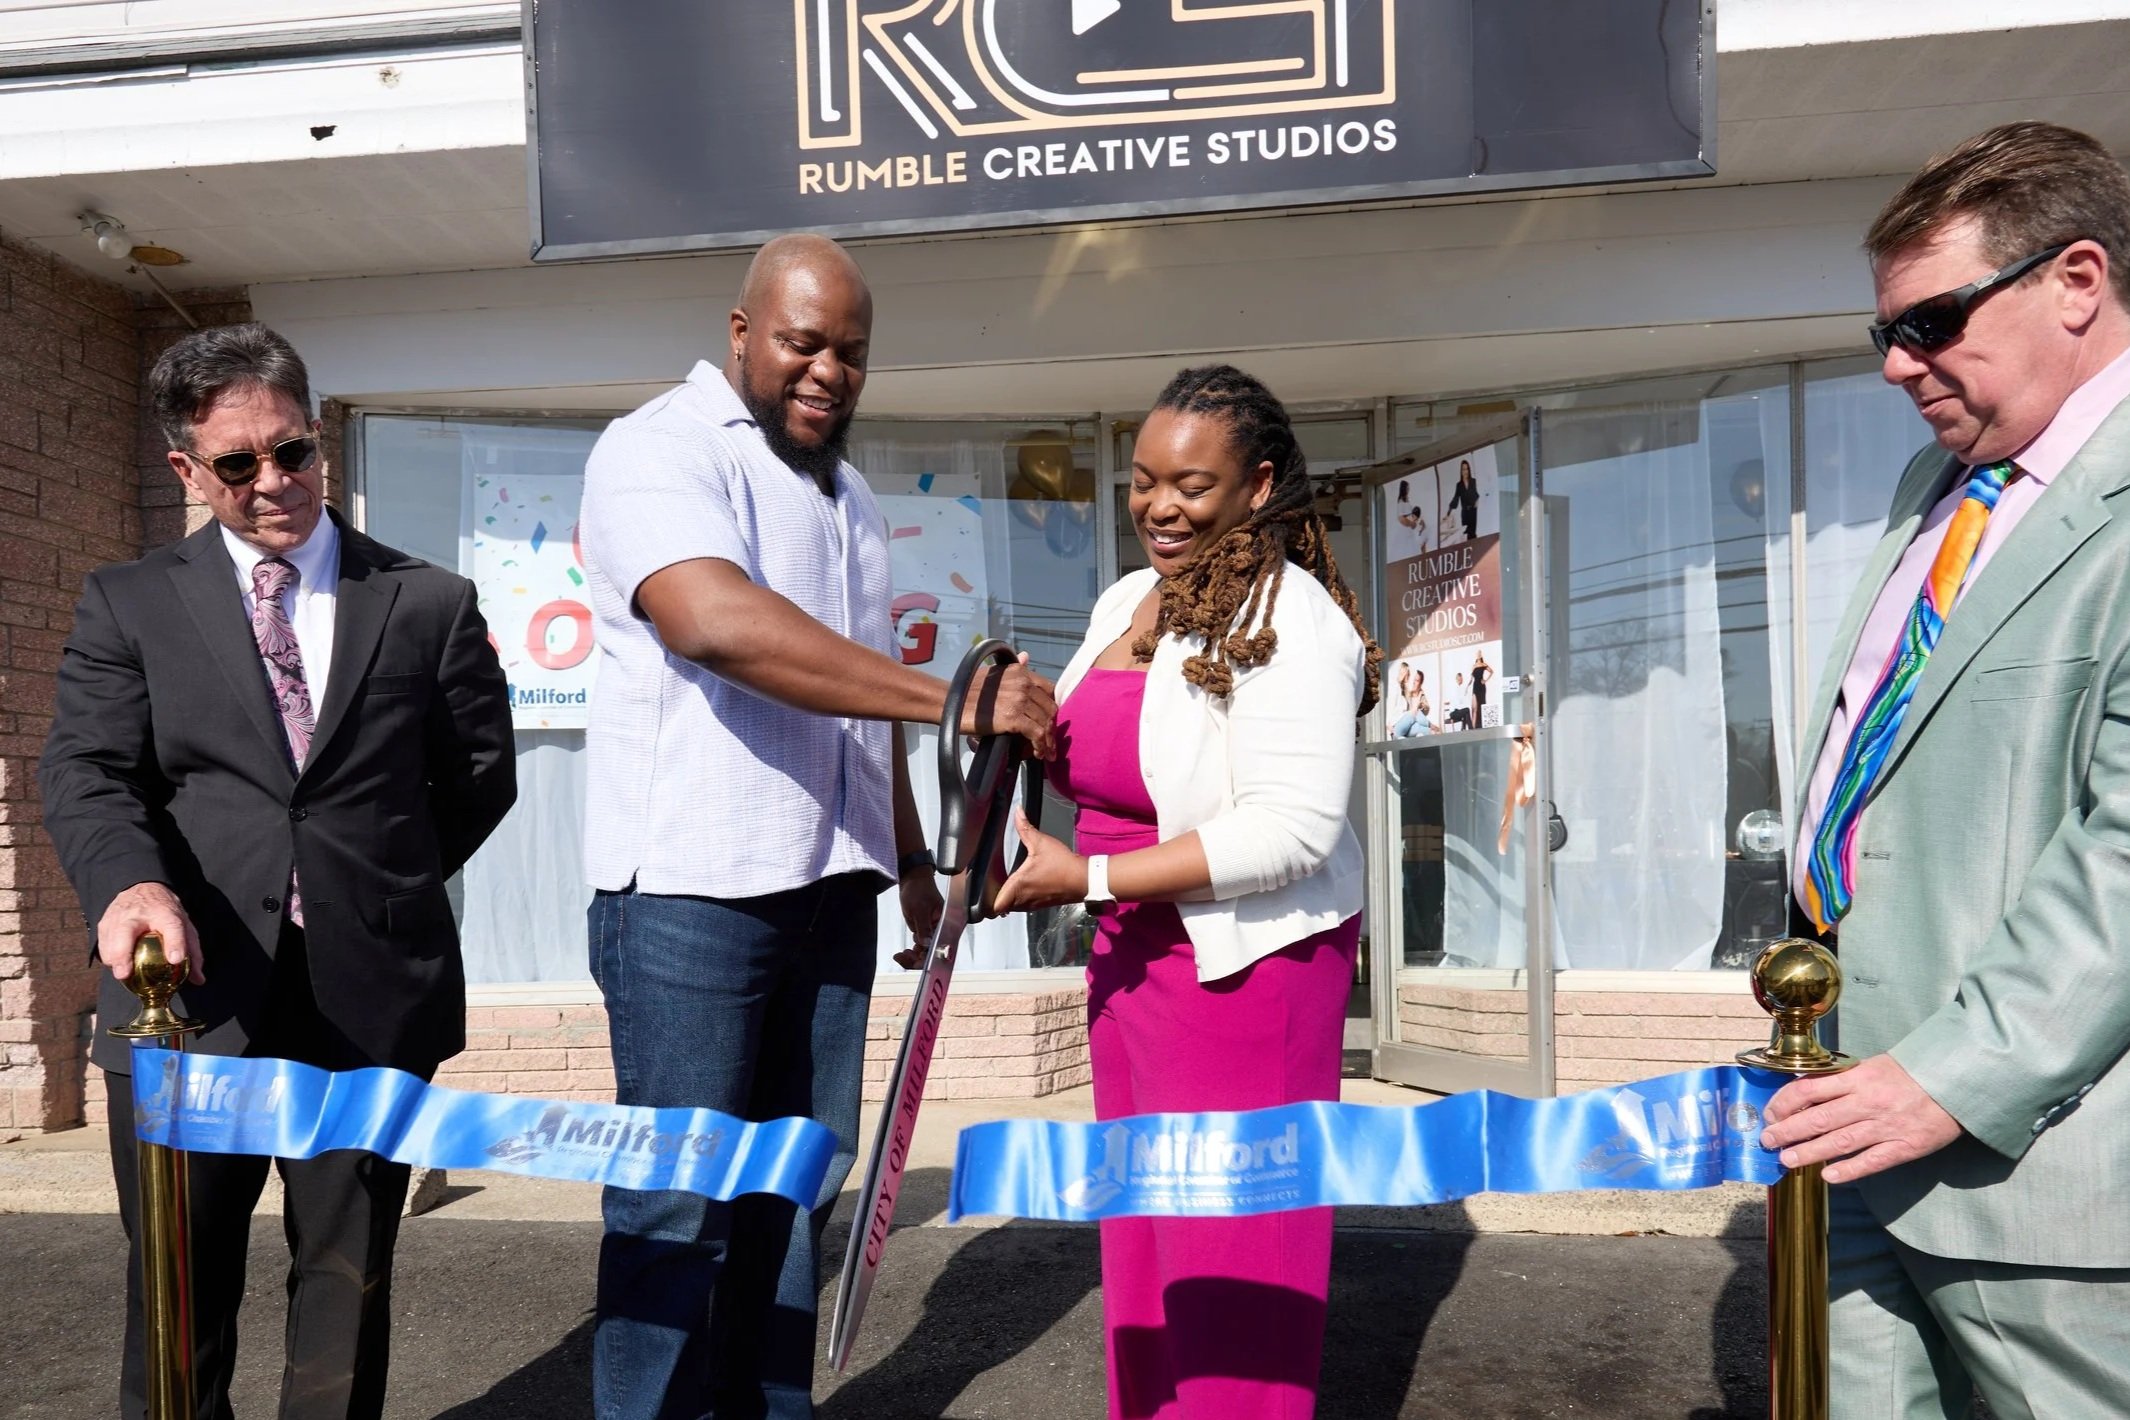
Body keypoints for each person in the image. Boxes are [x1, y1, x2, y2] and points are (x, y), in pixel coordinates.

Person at [577, 233, 1055, 1420]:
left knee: (796, 1192)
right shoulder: (659, 448)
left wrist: (911, 863)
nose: (827, 370)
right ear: (741, 332)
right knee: (676, 1203)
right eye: (802, 342)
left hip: (828, 893)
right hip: (691, 892)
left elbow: (855, 706)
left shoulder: (849, 495)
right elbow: (715, 623)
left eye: (851, 351)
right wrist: (956, 697)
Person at [38, 322, 517, 1420]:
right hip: (188, 997)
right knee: (177, 1293)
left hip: (365, 1001)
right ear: (186, 471)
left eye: (292, 451)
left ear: (319, 440)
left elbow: (478, 776)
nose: (273, 483)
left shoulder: (428, 600)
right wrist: (132, 886)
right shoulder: (130, 603)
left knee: (347, 1291)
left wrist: (370, 883)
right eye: (238, 464)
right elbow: (89, 771)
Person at [1764, 121, 2130, 1417]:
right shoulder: (1939, 484)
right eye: (1882, 334)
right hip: (1847, 1129)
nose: (1894, 364)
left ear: (2074, 281)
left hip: (2036, 1175)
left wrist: (1950, 1079)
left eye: (1929, 322)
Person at [996, 364, 1379, 1420]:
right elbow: (1091, 753)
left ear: (1259, 486)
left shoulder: (1294, 619)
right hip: (1129, 963)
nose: (1161, 505)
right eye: (1143, 479)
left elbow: (1293, 828)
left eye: (1192, 486)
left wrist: (1091, 876)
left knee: (1229, 1257)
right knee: (1148, 1251)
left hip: (1243, 974)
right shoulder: (1131, 598)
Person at [1392, 662, 1434, 737]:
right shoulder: (1398, 688)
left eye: (1417, 681)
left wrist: (1421, 703)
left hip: (1409, 724)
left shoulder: (1420, 694)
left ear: (1420, 683)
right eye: (1408, 675)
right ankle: (1432, 726)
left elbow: (1426, 709)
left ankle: (1432, 729)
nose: (1414, 682)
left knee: (1428, 731)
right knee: (1416, 713)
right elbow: (1393, 711)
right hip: (1400, 724)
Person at [1447, 458, 1481, 542]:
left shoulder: (1473, 481)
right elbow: (1455, 499)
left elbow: (1477, 494)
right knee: (1466, 534)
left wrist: (1477, 503)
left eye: (1467, 469)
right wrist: (1448, 512)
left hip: (1473, 511)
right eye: (1463, 469)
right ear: (1461, 471)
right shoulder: (1459, 485)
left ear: (1469, 470)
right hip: (1465, 513)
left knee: (1473, 533)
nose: (1465, 471)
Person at [1469, 649, 1491, 728]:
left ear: (1481, 655)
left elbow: (1491, 671)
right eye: (1477, 653)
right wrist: (1467, 686)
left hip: (1481, 686)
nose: (1478, 654)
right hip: (1475, 686)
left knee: (1482, 704)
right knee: (1474, 706)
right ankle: (1474, 726)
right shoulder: (1474, 666)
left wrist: (1486, 680)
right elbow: (1471, 678)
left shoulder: (1483, 664)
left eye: (1480, 653)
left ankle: (1482, 725)